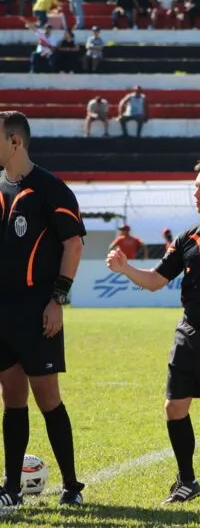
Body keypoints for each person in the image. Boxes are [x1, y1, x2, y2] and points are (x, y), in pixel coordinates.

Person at [105, 159, 200, 504]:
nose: (196, 192)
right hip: (188, 333)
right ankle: (187, 480)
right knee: (174, 407)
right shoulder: (189, 236)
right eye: (196, 185)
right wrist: (126, 269)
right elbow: (157, 280)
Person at [0, 111, 87, 507]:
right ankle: (12, 490)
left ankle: (71, 486)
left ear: (15, 141)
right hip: (3, 307)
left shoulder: (50, 188)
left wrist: (58, 299)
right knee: (12, 398)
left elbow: (74, 244)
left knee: (47, 397)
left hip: (38, 307)